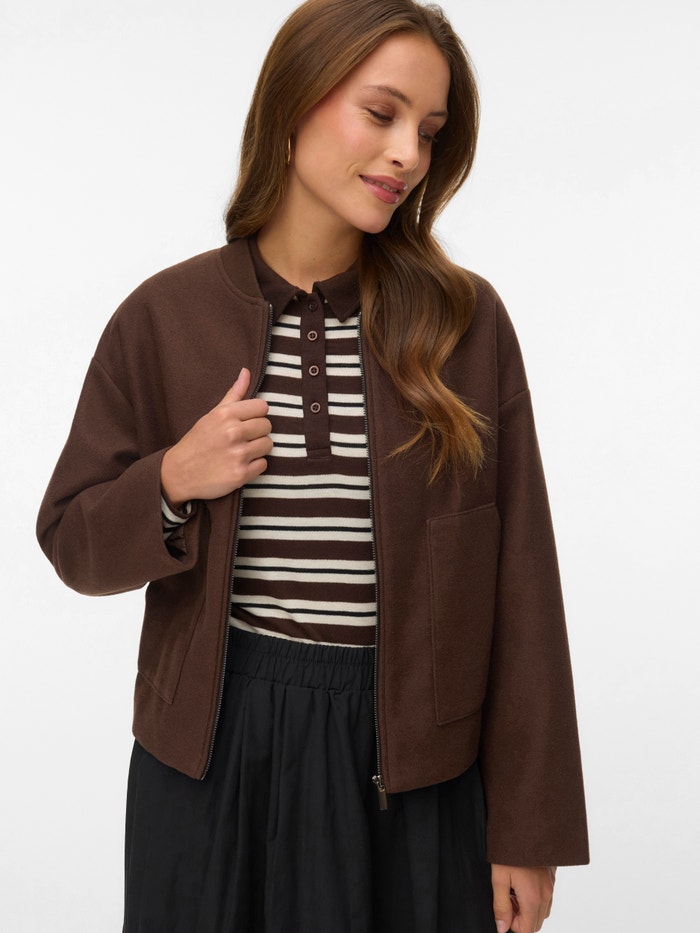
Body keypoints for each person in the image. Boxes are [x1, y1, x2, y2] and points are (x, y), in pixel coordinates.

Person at [36, 0, 589, 930]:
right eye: (382, 113)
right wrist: (170, 480)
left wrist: (529, 828)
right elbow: (70, 540)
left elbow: (522, 582)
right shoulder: (164, 317)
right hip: (211, 754)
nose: (408, 153)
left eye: (429, 131)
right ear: (294, 104)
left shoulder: (465, 325)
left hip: (416, 764)